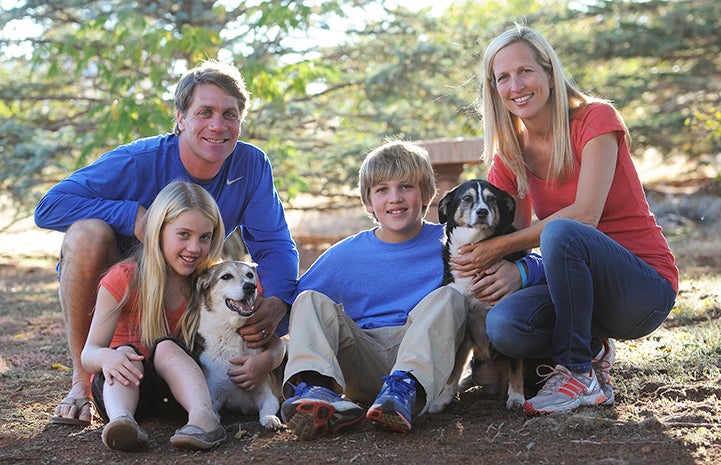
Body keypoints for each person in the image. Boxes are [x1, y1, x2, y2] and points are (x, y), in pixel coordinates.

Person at [34, 59, 298, 427]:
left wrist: (277, 302)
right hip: (125, 283)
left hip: (190, 282)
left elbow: (274, 244)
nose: (218, 125)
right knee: (87, 235)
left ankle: (204, 401)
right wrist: (134, 217)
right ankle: (82, 382)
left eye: (230, 114)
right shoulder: (138, 161)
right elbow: (49, 207)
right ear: (181, 118)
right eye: (204, 112)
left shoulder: (251, 165)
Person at [452, 25, 679, 416]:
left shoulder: (595, 120)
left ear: (549, 74)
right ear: (494, 90)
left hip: (642, 289)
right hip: (578, 291)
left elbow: (585, 215)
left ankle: (577, 372)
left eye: (525, 71)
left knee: (563, 228)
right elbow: (515, 238)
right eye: (502, 77)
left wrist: (505, 253)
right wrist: (518, 269)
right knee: (504, 325)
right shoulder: (511, 154)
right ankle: (593, 349)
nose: (516, 85)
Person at [278, 140, 469, 440]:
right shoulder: (346, 254)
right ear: (368, 203)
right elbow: (292, 310)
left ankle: (403, 392)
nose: (395, 198)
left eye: (406, 186)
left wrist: (520, 271)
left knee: (450, 297)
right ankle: (318, 391)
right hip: (362, 358)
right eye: (382, 190)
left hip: (423, 357)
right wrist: (259, 354)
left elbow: (522, 260)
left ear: (427, 196)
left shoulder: (453, 241)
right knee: (309, 300)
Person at [81, 181, 228, 451]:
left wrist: (268, 357)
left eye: (204, 237)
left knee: (167, 348)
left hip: (183, 393)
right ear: (158, 232)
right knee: (125, 353)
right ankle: (123, 424)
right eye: (183, 234)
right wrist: (107, 356)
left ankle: (204, 418)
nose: (194, 248)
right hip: (121, 392)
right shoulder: (124, 279)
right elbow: (89, 353)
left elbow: (255, 334)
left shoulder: (211, 281)